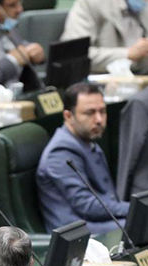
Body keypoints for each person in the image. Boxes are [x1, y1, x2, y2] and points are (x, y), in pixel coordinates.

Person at [36, 82, 130, 235]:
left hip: (96, 223)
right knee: (137, 225)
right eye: (90, 113)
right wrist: (133, 209)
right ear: (68, 116)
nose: (99, 119)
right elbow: (87, 206)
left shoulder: (87, 143)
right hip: (75, 233)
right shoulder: (60, 153)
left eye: (102, 111)